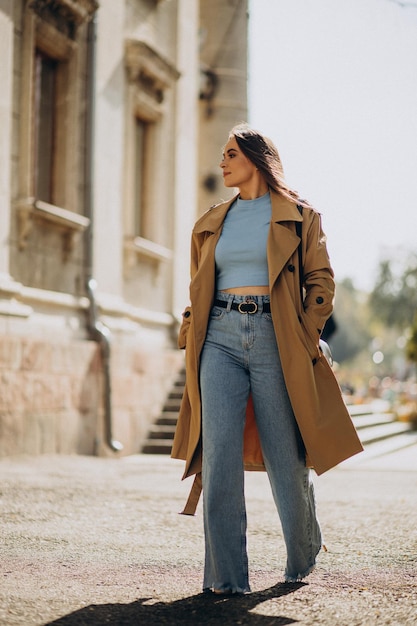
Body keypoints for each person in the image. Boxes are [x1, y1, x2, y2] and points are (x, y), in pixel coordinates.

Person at [171, 123, 363, 595]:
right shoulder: (212, 221)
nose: (222, 162)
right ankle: (225, 579)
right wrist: (189, 328)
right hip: (218, 337)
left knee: (286, 455)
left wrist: (304, 334)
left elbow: (321, 282)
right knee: (217, 458)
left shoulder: (300, 215)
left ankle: (302, 556)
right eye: (223, 154)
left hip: (277, 338)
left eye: (230, 153)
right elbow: (199, 285)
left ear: (256, 159)